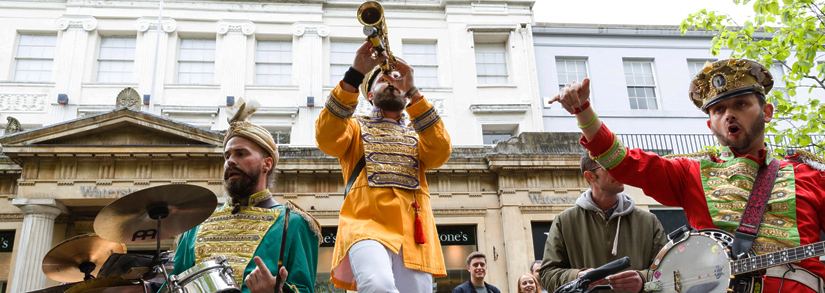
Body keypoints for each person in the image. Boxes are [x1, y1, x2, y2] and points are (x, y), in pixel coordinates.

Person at [549, 58, 825, 292]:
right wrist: (583, 112)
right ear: (710, 124)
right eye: (719, 109)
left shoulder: (811, 176)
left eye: (740, 104)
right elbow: (623, 162)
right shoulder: (691, 173)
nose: (729, 115)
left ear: (766, 112)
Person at [315, 41, 451, 292]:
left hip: (414, 235)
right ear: (369, 94)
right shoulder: (354, 128)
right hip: (365, 227)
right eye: (383, 79)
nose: (391, 82)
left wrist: (414, 92)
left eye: (397, 80)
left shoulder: (418, 133)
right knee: (378, 286)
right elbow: (327, 137)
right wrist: (355, 74)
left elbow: (441, 152)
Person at [170, 99, 321, 293]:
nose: (231, 161)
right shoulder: (196, 224)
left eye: (241, 154)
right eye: (227, 156)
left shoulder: (294, 222)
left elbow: (304, 288)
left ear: (267, 164)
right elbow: (173, 284)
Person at [538, 152, 667, 293]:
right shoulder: (564, 221)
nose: (620, 171)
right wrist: (578, 278)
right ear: (590, 176)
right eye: (610, 166)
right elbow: (547, 275)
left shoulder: (649, 221)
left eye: (620, 165)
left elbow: (669, 269)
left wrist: (642, 279)